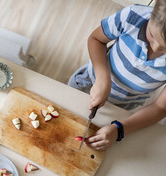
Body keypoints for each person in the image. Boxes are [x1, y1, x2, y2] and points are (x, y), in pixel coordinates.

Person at [68, 1, 166, 151]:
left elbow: (160, 108)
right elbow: (96, 39)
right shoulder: (133, 15)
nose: (155, 48)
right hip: (87, 83)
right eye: (152, 36)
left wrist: (119, 129)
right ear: (152, 16)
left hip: (123, 107)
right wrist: (102, 78)